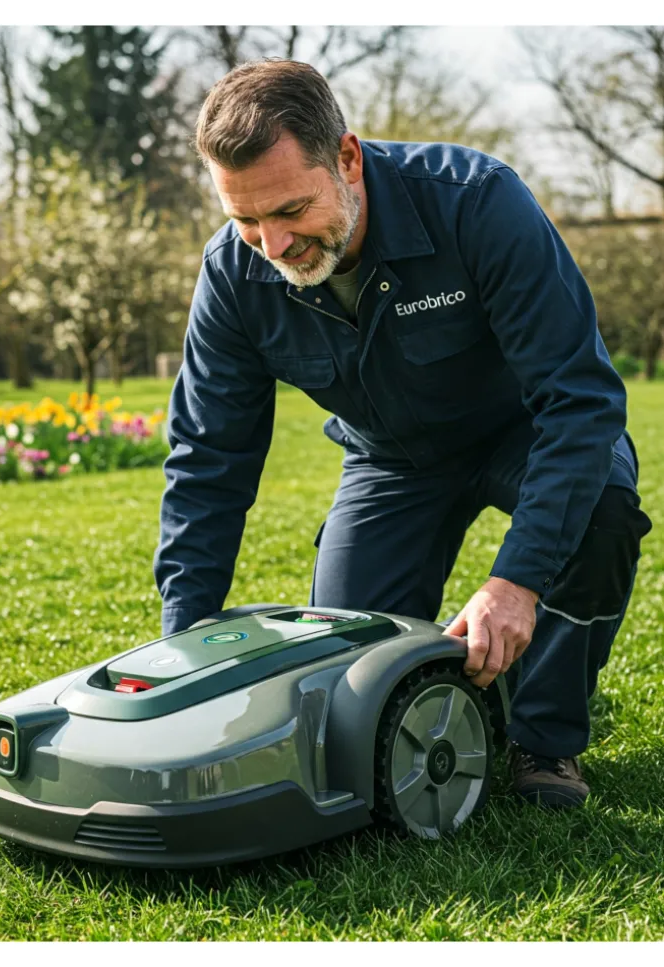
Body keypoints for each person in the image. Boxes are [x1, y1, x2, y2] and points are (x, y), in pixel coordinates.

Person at [153, 60, 653, 808]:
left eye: (291, 209)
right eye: (245, 220)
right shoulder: (234, 275)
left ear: (347, 159)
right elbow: (207, 460)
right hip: (391, 462)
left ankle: (541, 737)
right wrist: (183, 646)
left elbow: (579, 402)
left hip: (525, 432)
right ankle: (473, 697)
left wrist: (515, 584)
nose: (274, 244)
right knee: (352, 662)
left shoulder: (478, 203)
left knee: (602, 511)